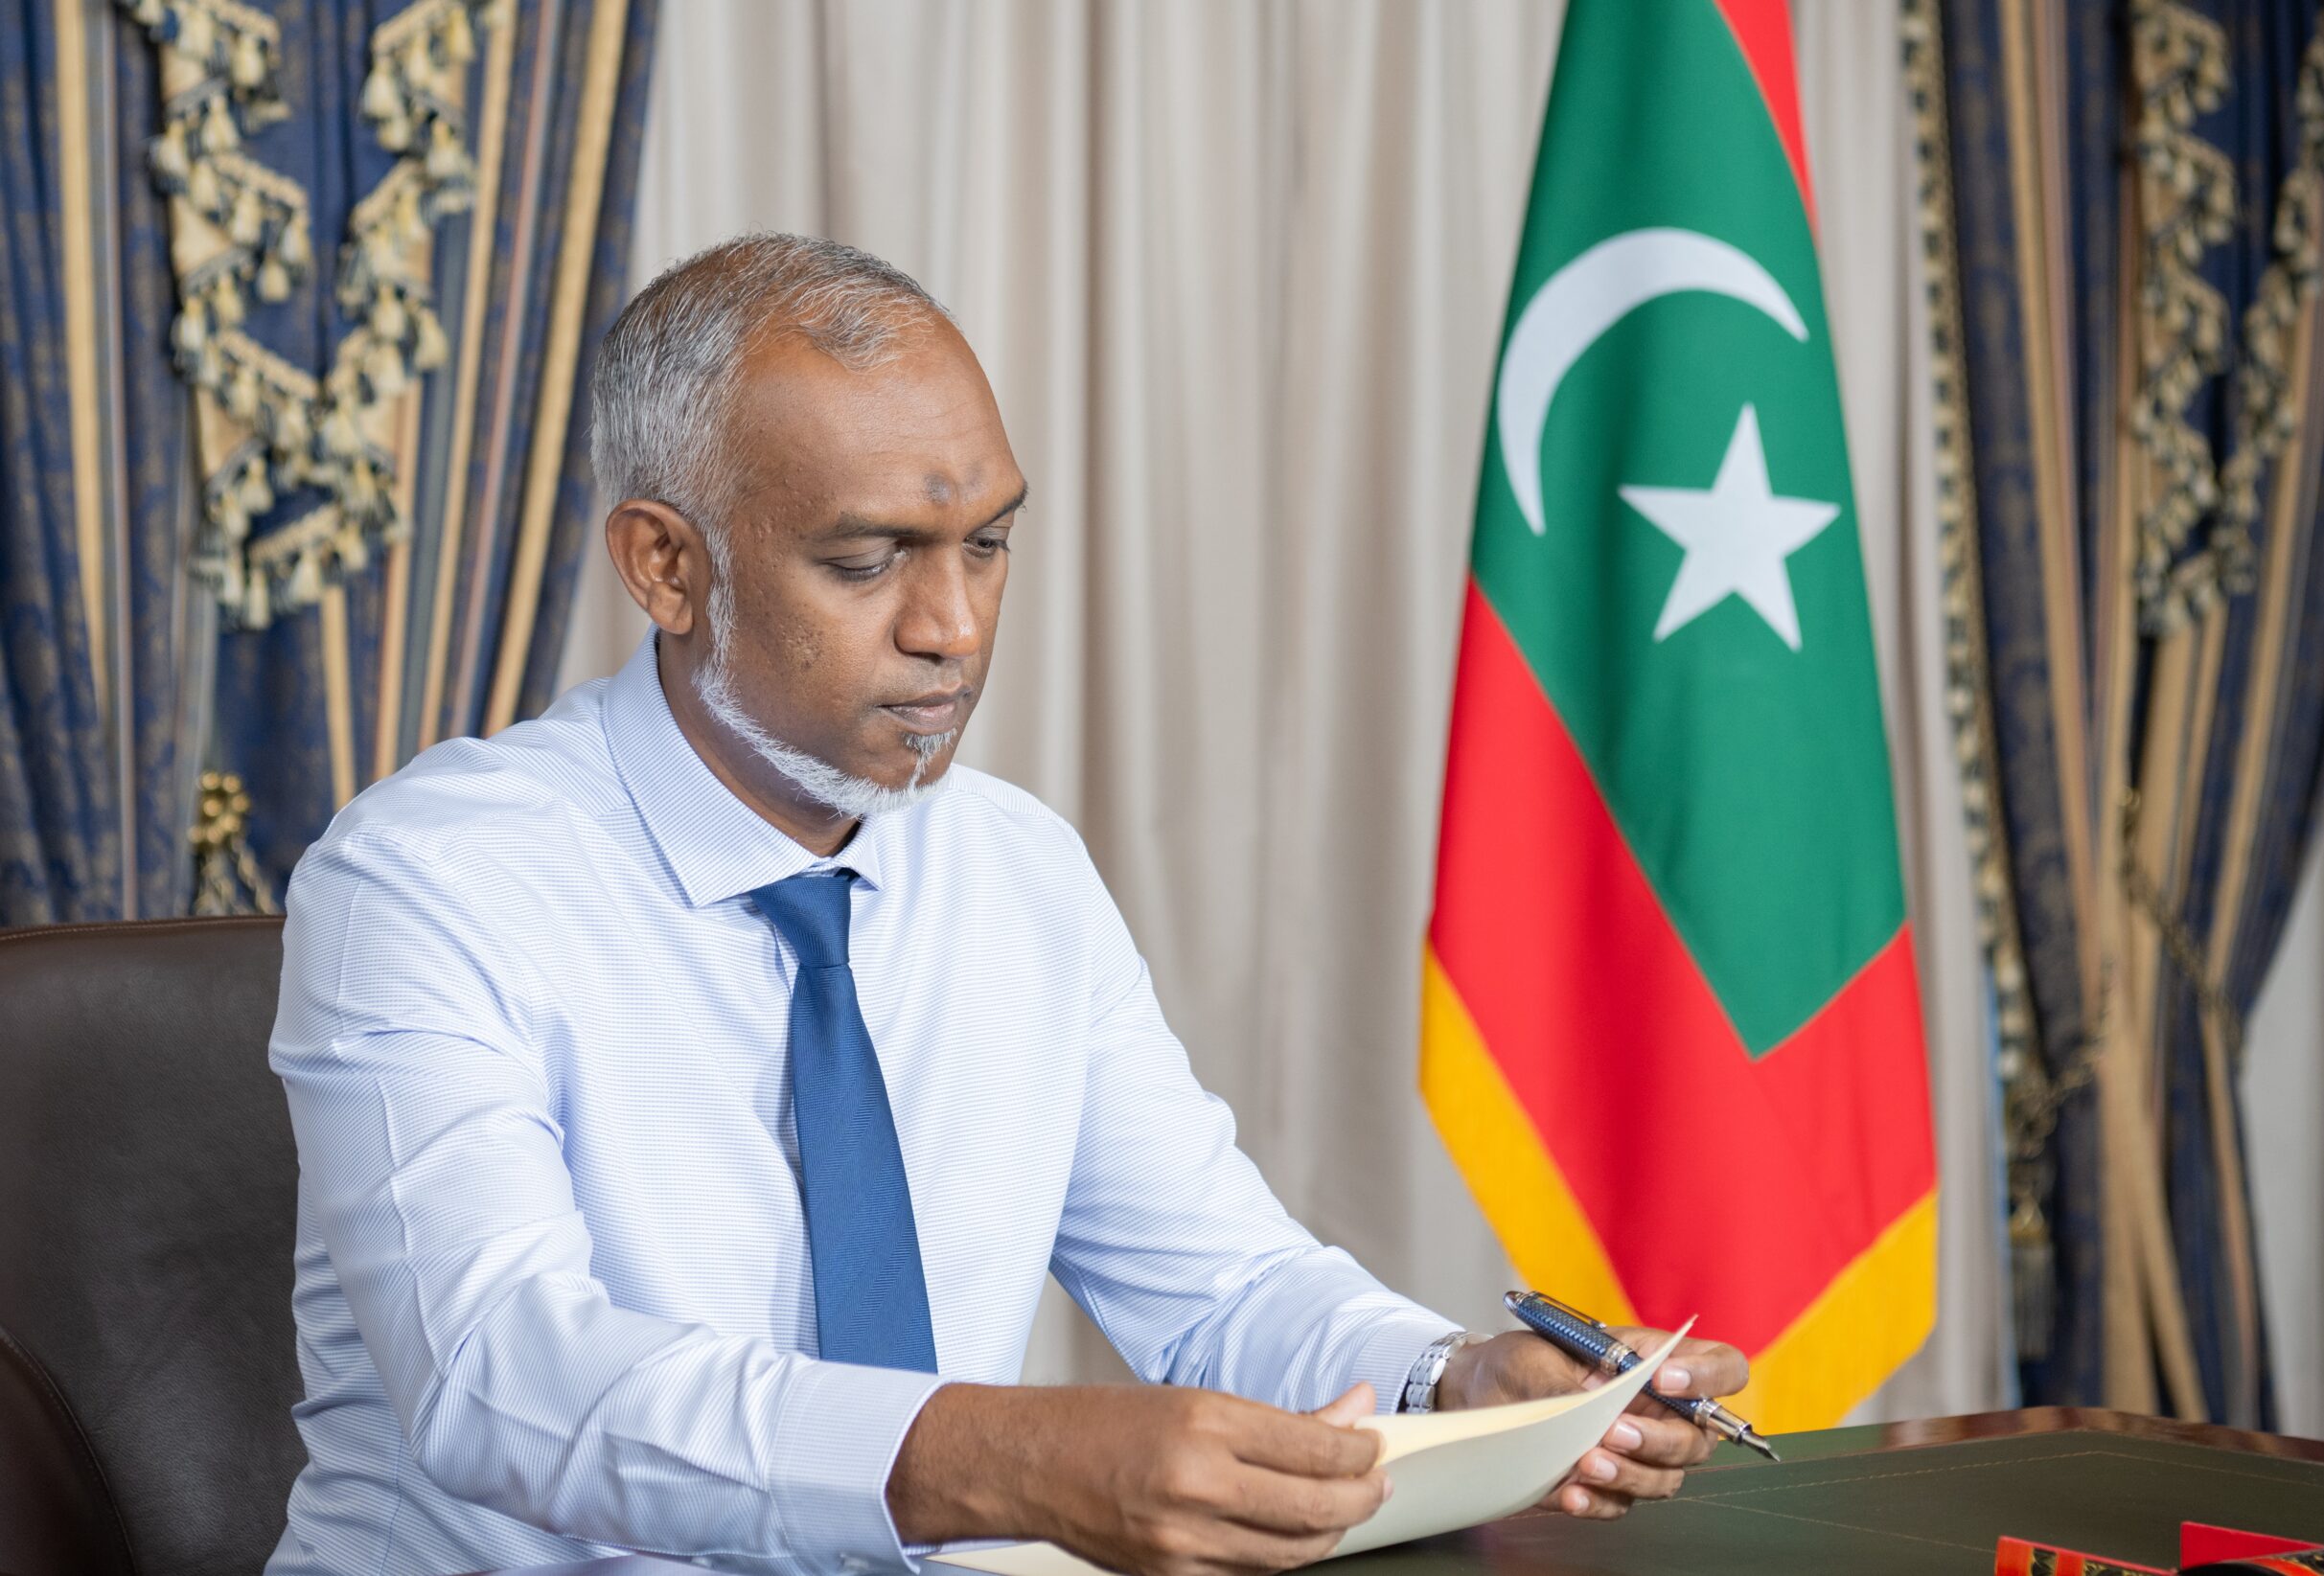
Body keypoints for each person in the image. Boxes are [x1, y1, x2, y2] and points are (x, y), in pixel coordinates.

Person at [265, 232, 1748, 1576]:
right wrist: (1006, 1456)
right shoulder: (428, 879)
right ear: (666, 565)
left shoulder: (1017, 868)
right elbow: (501, 1373)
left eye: (986, 544)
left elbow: (1220, 1282)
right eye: (868, 561)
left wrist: (1456, 1380)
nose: (955, 627)